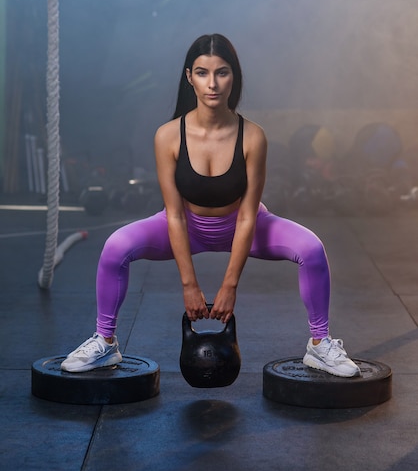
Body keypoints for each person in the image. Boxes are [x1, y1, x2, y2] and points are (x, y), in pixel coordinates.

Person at [61, 33, 360, 378]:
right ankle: (105, 341)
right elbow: (173, 213)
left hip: (242, 225)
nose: (212, 83)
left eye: (222, 72)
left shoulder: (253, 136)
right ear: (189, 77)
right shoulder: (168, 136)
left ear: (234, 77)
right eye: (202, 73)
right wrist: (190, 286)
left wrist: (229, 286)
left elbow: (248, 215)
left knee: (311, 248)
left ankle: (320, 345)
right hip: (186, 226)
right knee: (116, 246)